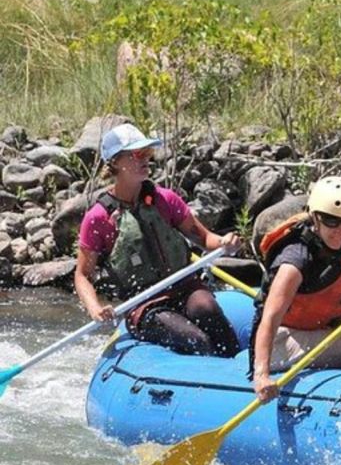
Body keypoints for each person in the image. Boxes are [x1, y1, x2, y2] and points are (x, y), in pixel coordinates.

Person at [74, 123, 242, 357]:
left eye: (148, 153)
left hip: (184, 286)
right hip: (145, 305)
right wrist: (95, 307)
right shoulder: (99, 218)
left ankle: (240, 370)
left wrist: (224, 242)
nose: (146, 160)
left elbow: (204, 238)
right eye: (137, 154)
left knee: (208, 310)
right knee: (197, 340)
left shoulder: (165, 200)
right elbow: (83, 275)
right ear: (115, 162)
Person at [250, 176, 341, 403]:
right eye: (331, 221)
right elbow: (270, 319)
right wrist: (261, 376)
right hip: (282, 341)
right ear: (315, 217)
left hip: (325, 331)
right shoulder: (295, 260)